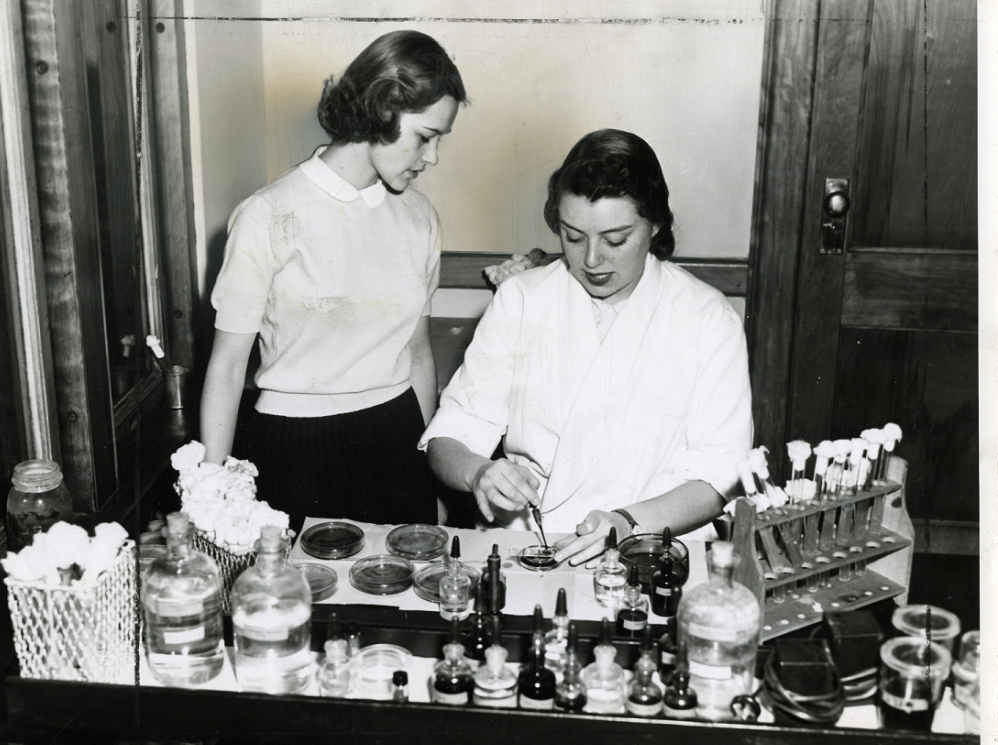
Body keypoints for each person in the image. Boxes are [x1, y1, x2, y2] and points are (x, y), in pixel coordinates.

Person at [420, 129, 752, 565]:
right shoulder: (522, 299)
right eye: (573, 237)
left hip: (654, 544)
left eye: (615, 240)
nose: (592, 260)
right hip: (534, 542)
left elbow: (719, 476)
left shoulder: (706, 317)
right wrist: (479, 472)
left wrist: (627, 523)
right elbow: (450, 435)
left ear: (654, 225)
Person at [200, 31, 467, 534]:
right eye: (426, 136)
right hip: (292, 450)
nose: (431, 157)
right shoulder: (267, 214)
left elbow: (417, 354)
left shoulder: (419, 217)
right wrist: (213, 495)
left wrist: (425, 474)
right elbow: (229, 368)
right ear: (383, 110)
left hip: (395, 437)